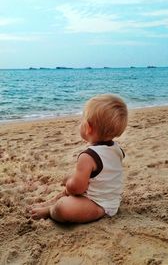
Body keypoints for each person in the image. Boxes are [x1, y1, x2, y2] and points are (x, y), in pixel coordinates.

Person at [29, 94, 128, 223]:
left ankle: (50, 210)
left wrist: (69, 182)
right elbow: (103, 175)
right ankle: (55, 200)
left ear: (87, 127)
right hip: (112, 199)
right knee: (75, 182)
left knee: (62, 208)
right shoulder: (117, 149)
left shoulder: (88, 156)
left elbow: (77, 189)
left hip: (97, 205)